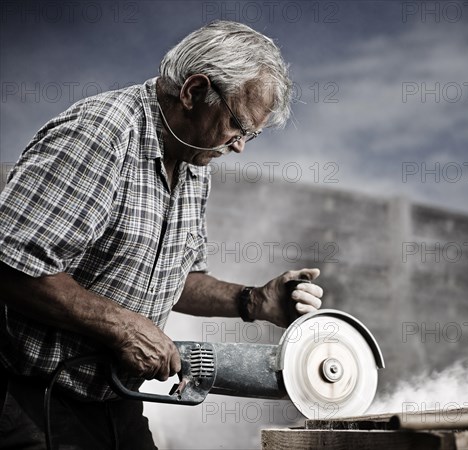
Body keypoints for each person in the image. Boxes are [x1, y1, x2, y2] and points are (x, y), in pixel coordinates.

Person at [0, 21, 323, 449]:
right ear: (193, 91)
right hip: (28, 396)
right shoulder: (101, 134)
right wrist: (123, 327)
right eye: (236, 125)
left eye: (251, 135)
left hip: (113, 400)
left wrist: (253, 301)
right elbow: (10, 265)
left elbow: (174, 280)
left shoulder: (193, 164)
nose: (240, 145)